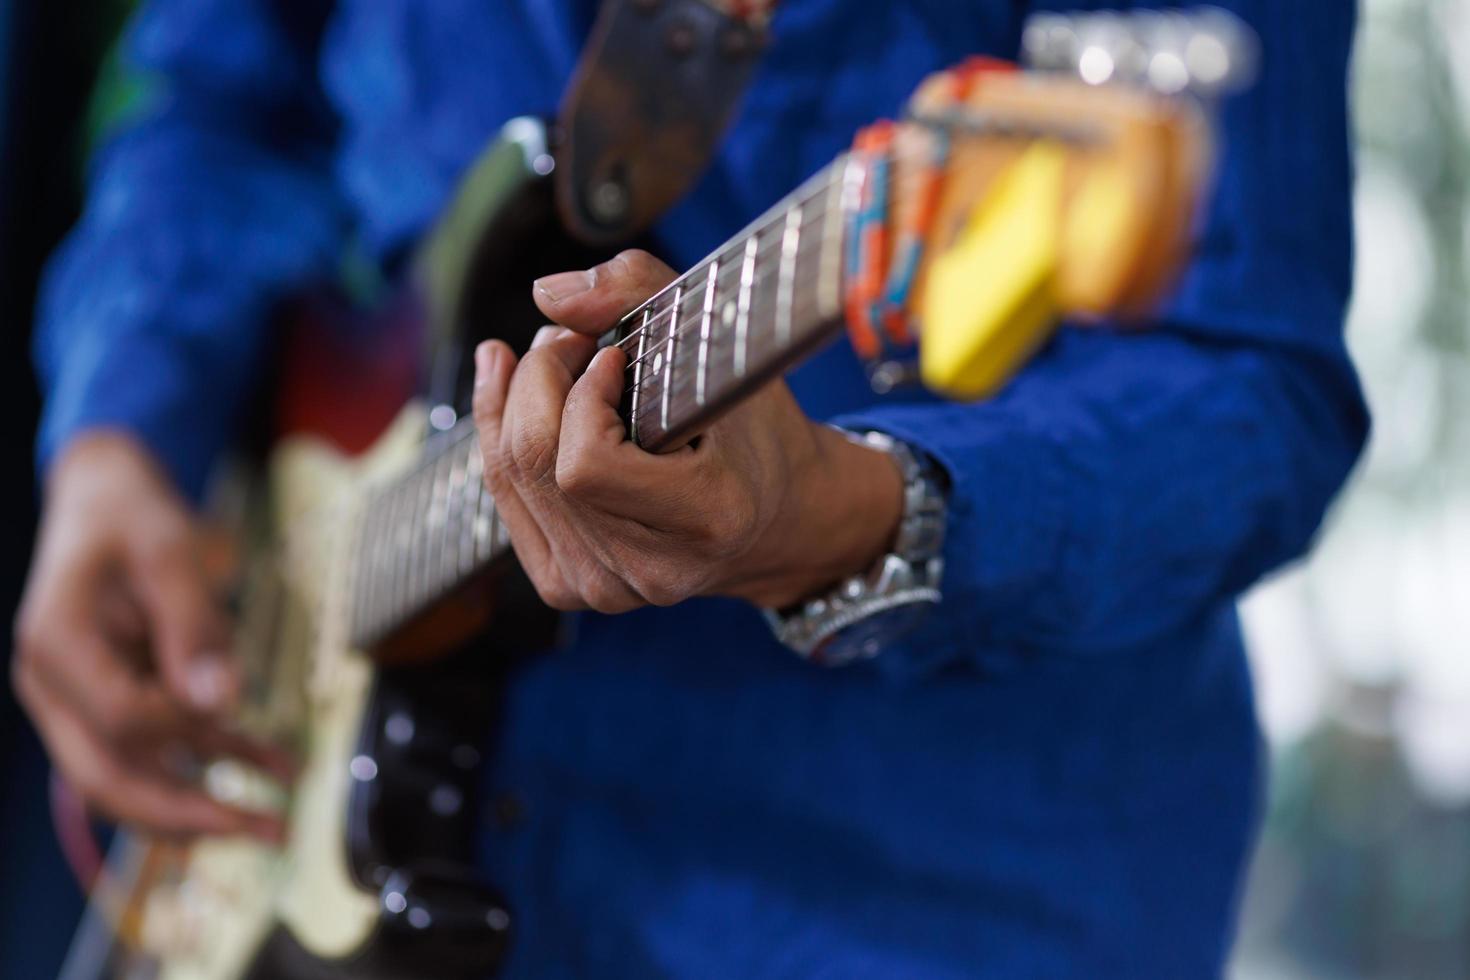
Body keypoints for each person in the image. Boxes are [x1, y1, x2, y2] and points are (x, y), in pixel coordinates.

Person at [13, 0, 1365, 975]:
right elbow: (215, 101)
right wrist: (117, 439)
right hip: (314, 810)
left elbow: (1249, 384)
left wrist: (841, 515)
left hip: (899, 894)